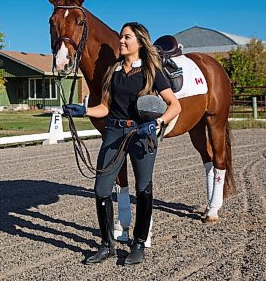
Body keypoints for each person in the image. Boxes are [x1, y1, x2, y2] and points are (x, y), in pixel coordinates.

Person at [63, 22, 181, 265]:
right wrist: (83, 111)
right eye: (121, 37)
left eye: (127, 37)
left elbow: (174, 105)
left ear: (139, 42)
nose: (122, 41)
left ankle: (138, 243)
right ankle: (107, 245)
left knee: (143, 188)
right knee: (101, 189)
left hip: (141, 134)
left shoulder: (151, 71)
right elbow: (105, 107)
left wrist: (158, 123)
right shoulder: (114, 71)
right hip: (114, 133)